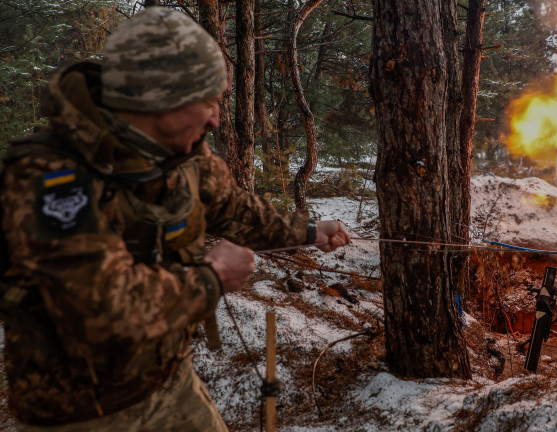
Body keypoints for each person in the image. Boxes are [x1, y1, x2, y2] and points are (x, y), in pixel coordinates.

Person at [0, 7, 349, 431]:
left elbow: (235, 210)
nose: (216, 118)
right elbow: (104, 308)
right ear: (158, 100)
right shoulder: (50, 179)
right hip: (80, 411)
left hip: (168, 379)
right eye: (207, 102)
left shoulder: (183, 153)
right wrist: (213, 277)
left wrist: (310, 231)